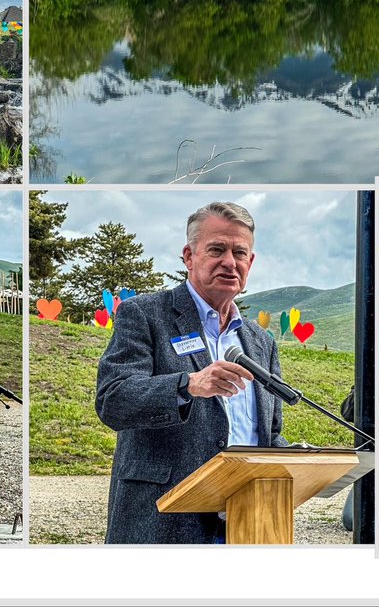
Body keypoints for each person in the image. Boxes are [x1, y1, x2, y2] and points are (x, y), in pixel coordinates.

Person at [95, 201, 287, 544]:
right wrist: (189, 385)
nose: (230, 262)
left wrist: (302, 461)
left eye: (240, 253)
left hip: (248, 525)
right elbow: (113, 400)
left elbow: (268, 434)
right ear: (189, 255)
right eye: (217, 249)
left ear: (251, 263)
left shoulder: (261, 343)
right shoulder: (146, 315)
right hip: (163, 525)